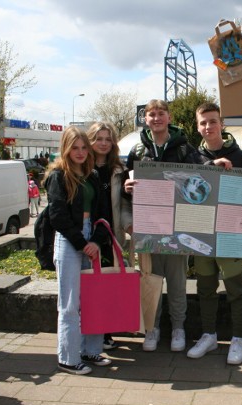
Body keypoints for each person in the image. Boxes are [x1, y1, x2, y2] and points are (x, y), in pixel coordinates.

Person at [187, 102, 242, 365]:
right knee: (205, 287)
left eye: (213, 121)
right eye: (203, 122)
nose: (208, 126)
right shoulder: (191, 158)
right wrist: (209, 165)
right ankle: (209, 335)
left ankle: (238, 338)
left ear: (222, 124)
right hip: (202, 236)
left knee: (236, 288)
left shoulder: (241, 157)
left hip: (232, 235)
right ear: (197, 127)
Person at [123, 99, 202, 353]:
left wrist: (217, 166)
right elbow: (127, 186)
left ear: (169, 117)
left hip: (178, 228)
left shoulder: (185, 148)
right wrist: (127, 189)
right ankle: (152, 328)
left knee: (178, 283)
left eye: (161, 114)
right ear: (145, 119)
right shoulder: (137, 151)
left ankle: (178, 327)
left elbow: (201, 178)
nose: (156, 118)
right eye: (151, 114)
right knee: (151, 280)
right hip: (149, 228)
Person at [46, 126, 111, 375]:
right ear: (66, 148)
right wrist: (83, 243)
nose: (81, 152)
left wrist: (95, 240)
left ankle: (90, 350)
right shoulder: (58, 176)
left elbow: (104, 213)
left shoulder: (91, 175)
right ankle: (69, 357)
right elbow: (58, 217)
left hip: (90, 238)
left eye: (84, 147)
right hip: (69, 240)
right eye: (75, 147)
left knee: (93, 299)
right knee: (70, 303)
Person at [86, 121, 131, 350]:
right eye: (98, 138)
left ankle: (105, 331)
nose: (103, 143)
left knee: (109, 283)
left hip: (112, 235)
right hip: (87, 236)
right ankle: (91, 333)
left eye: (107, 138)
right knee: (91, 284)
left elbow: (123, 205)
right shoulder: (81, 166)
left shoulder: (118, 170)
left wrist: (127, 226)